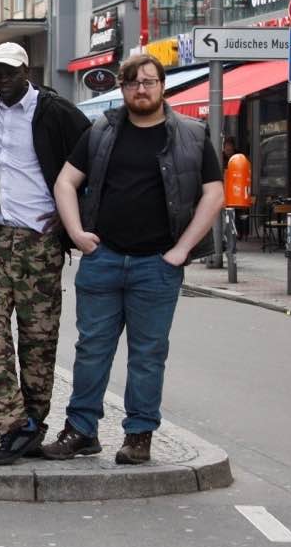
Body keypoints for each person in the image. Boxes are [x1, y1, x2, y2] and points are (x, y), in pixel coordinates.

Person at [44, 55, 223, 465]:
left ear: (162, 86)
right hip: (104, 259)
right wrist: (75, 233)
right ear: (122, 89)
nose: (140, 90)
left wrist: (180, 251)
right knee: (91, 350)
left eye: (148, 81)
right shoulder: (103, 130)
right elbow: (66, 182)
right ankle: (81, 431)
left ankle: (139, 435)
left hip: (156, 266)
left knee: (147, 354)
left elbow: (214, 193)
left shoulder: (192, 135)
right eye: (132, 83)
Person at [0, 42, 90, 466]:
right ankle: (15, 427)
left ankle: (34, 422)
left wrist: (73, 219)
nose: (2, 80)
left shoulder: (56, 111)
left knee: (39, 341)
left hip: (41, 243)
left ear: (27, 71)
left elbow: (93, 157)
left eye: (10, 73)